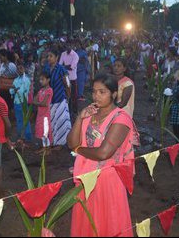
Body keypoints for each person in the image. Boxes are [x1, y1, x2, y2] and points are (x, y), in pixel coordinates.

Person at [67, 73, 136, 237]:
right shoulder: (89, 113)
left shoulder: (121, 118)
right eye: (94, 91)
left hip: (107, 181)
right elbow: (71, 142)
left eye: (102, 92)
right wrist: (79, 118)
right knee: (87, 222)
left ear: (113, 94)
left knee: (108, 223)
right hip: (86, 178)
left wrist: (78, 150)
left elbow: (104, 153)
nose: (96, 96)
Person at [44, 49, 71, 148]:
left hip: (60, 98)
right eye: (48, 56)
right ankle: (53, 141)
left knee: (61, 121)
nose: (49, 58)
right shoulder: (46, 69)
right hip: (49, 100)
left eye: (51, 56)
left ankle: (61, 143)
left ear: (56, 57)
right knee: (51, 121)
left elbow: (67, 84)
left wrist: (68, 96)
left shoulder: (61, 69)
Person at [10, 61, 32, 144]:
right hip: (16, 102)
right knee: (19, 120)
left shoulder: (26, 80)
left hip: (23, 102)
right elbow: (11, 90)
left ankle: (27, 137)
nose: (19, 70)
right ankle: (20, 136)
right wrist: (14, 90)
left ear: (24, 69)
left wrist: (15, 90)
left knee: (25, 120)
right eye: (18, 69)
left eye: (21, 68)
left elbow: (22, 91)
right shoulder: (15, 80)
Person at [33, 72, 53, 153]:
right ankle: (45, 147)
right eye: (40, 79)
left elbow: (44, 103)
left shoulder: (49, 90)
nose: (41, 81)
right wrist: (39, 104)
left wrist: (37, 103)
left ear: (48, 80)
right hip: (40, 114)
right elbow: (35, 100)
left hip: (45, 115)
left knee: (45, 132)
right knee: (42, 131)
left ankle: (47, 149)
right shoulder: (41, 90)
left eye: (43, 79)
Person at [59, 44, 79, 113]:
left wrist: (63, 67)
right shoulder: (63, 54)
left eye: (69, 45)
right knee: (66, 95)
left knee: (73, 95)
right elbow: (59, 65)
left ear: (72, 46)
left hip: (72, 78)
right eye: (66, 46)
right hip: (65, 78)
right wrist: (65, 66)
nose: (67, 47)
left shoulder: (75, 55)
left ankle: (75, 111)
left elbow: (71, 67)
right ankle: (66, 110)